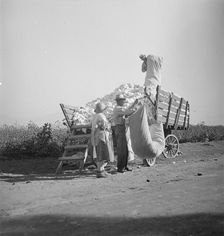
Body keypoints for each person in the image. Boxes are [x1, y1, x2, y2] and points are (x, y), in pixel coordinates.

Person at [112, 94, 137, 173]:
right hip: (119, 128)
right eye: (122, 100)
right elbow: (127, 112)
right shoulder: (118, 109)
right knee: (121, 149)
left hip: (122, 128)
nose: (124, 102)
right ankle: (120, 167)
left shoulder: (120, 108)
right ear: (119, 101)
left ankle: (124, 166)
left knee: (125, 149)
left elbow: (126, 110)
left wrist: (134, 104)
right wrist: (135, 109)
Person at [91, 102, 114, 178]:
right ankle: (100, 171)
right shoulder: (101, 116)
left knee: (99, 153)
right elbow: (104, 126)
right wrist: (108, 125)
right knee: (103, 153)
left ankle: (101, 170)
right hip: (101, 136)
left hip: (96, 137)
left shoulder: (95, 116)